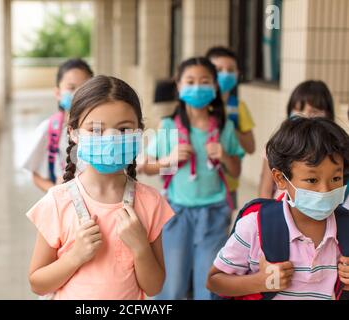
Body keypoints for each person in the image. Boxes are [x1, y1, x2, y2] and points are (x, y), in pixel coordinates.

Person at [26, 76, 174, 299]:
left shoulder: (150, 202)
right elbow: (37, 283)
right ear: (74, 133)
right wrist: (75, 256)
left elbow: (154, 287)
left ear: (138, 133)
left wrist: (141, 248)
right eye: (96, 130)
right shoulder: (57, 202)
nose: (111, 139)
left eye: (124, 130)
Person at [207, 117, 349, 300]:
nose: (325, 190)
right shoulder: (255, 226)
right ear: (281, 179)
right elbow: (215, 281)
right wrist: (260, 281)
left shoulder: (345, 228)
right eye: (312, 180)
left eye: (336, 179)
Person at [141, 57, 245, 300]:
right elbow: (145, 166)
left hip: (215, 213)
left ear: (215, 87)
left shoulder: (224, 127)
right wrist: (168, 160)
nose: (197, 87)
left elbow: (236, 171)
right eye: (190, 81)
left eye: (204, 81)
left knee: (208, 284)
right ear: (178, 86)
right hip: (177, 214)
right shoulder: (169, 126)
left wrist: (225, 155)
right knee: (172, 284)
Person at [22, 58, 94, 192]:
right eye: (71, 87)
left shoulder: (103, 127)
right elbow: (36, 174)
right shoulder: (49, 128)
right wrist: (57, 193)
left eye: (84, 88)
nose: (78, 93)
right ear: (57, 93)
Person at [259, 80, 335, 199]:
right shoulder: (277, 145)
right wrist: (264, 215)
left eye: (314, 112)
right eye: (298, 110)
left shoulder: (335, 148)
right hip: (280, 211)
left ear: (328, 116)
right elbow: (265, 188)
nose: (305, 116)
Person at [206, 46, 255, 208]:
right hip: (198, 184)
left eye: (230, 70)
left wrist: (229, 125)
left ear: (237, 74)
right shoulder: (197, 106)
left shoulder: (238, 107)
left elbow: (250, 147)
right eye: (219, 69)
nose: (225, 74)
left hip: (228, 183)